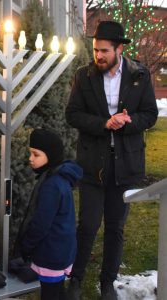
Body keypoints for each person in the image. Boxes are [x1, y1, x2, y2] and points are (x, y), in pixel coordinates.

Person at [65, 20, 158, 300]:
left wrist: (127, 122)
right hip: (93, 164)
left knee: (115, 228)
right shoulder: (84, 76)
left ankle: (108, 283)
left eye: (104, 50)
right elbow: (73, 115)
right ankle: (76, 280)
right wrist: (105, 123)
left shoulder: (139, 74)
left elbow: (150, 114)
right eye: (95, 50)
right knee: (88, 225)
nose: (98, 56)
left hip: (126, 165)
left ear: (119, 49)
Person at [19, 128, 83, 300]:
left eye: (36, 154)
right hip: (62, 249)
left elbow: (41, 224)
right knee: (56, 292)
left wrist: (26, 245)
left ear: (50, 155)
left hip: (51, 252)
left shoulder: (51, 185)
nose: (30, 159)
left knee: (50, 294)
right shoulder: (59, 178)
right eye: (30, 153)